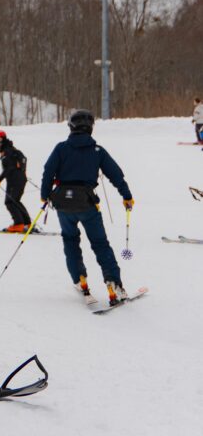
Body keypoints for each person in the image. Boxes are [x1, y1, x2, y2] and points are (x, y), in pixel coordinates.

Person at [41, 109, 134, 305]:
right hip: (87, 205)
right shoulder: (97, 150)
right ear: (90, 128)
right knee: (100, 244)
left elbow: (48, 172)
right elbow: (116, 174)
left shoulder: (61, 148)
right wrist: (126, 196)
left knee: (70, 240)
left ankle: (80, 280)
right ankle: (113, 282)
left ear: (71, 127)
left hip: (63, 206)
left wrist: (44, 196)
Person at [0, 130, 31, 232]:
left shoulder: (7, 151)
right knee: (15, 201)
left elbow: (9, 168)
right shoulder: (9, 149)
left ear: (3, 138)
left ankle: (18, 224)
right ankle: (27, 224)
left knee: (10, 202)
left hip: (15, 180)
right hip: (19, 179)